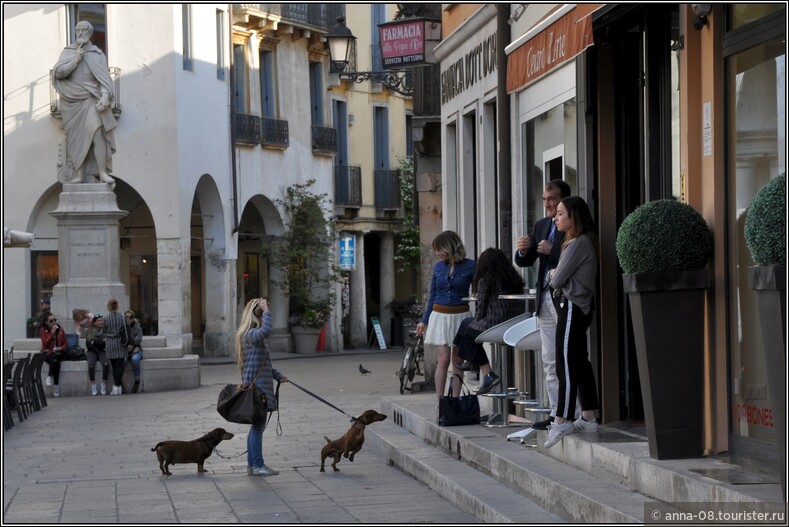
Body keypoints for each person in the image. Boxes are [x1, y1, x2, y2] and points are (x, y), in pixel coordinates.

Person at [514, 179, 573, 430]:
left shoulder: (571, 224)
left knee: (567, 357)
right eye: (545, 199)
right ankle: (555, 411)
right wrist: (521, 250)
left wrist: (553, 250)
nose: (548, 204)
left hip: (565, 298)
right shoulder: (541, 225)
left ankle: (574, 411)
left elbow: (574, 254)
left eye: (553, 199)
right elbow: (526, 262)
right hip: (544, 299)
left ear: (564, 200)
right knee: (549, 358)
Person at [543, 196, 600, 448]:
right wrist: (554, 273)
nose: (555, 218)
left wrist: (552, 273)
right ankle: (588, 415)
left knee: (564, 363)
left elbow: (555, 280)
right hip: (578, 307)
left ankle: (562, 419)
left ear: (573, 217)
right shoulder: (580, 242)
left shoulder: (577, 243)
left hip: (573, 307)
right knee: (578, 360)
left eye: (561, 214)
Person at [52, 20, 117, 187]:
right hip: (71, 103)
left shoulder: (98, 55)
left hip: (91, 99)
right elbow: (58, 73)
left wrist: (104, 95)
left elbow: (103, 79)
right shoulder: (68, 53)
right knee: (76, 139)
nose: (81, 33)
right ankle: (79, 174)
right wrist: (76, 59)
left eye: (84, 30)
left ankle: (102, 173)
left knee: (97, 134)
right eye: (78, 30)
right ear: (75, 33)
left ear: (90, 33)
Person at [453, 248, 526, 395]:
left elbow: (480, 310)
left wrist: (476, 321)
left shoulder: (485, 280)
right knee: (467, 324)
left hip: (496, 324)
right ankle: (472, 363)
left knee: (468, 329)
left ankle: (486, 372)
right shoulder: (514, 279)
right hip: (517, 324)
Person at [417, 230, 475, 401]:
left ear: (449, 247)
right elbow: (432, 295)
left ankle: (455, 401)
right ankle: (440, 402)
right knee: (443, 360)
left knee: (457, 361)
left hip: (460, 316)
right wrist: (424, 321)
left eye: (439, 249)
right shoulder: (438, 267)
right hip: (440, 316)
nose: (437, 253)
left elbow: (478, 292)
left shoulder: (471, 265)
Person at [236, 298, 289, 476]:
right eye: (262, 311)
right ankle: (258, 465)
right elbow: (267, 330)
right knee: (258, 427)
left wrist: (277, 375)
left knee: (256, 427)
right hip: (257, 391)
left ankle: (252, 465)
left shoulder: (250, 335)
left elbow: (262, 364)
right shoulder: (251, 334)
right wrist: (267, 310)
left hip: (257, 388)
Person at [104, 298, 128, 395]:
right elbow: (127, 329)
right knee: (119, 365)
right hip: (120, 343)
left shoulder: (106, 318)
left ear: (108, 307)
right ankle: (117, 386)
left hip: (110, 343)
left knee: (114, 367)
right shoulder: (122, 317)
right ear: (117, 306)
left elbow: (103, 331)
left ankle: (116, 387)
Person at [39, 313, 67, 397]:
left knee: (56, 357)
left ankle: (49, 376)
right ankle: (56, 386)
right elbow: (45, 343)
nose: (54, 322)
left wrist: (61, 348)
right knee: (55, 361)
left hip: (59, 352)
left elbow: (65, 343)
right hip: (48, 352)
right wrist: (52, 333)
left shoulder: (61, 329)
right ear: (46, 322)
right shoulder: (43, 330)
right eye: (51, 321)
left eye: (55, 320)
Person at [86, 314, 109, 396]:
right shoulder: (90, 331)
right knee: (91, 365)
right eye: (99, 321)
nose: (101, 322)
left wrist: (96, 342)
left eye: (102, 320)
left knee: (106, 364)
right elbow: (89, 343)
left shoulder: (105, 330)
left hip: (102, 351)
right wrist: (100, 341)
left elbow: (105, 343)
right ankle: (93, 384)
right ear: (95, 323)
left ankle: (104, 383)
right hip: (92, 351)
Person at [125, 310, 144, 393]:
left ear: (133, 318)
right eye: (126, 317)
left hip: (136, 351)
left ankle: (137, 381)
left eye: (130, 317)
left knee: (135, 359)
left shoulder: (138, 328)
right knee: (122, 360)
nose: (128, 319)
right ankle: (119, 382)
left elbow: (138, 341)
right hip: (124, 351)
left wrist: (128, 341)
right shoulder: (122, 328)